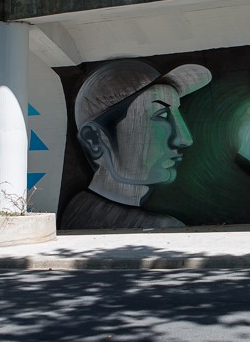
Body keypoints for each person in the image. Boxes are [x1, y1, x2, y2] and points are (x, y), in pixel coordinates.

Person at [61, 60, 212, 229]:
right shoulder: (163, 228)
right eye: (161, 115)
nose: (185, 138)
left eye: (176, 113)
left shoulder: (76, 213)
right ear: (95, 140)